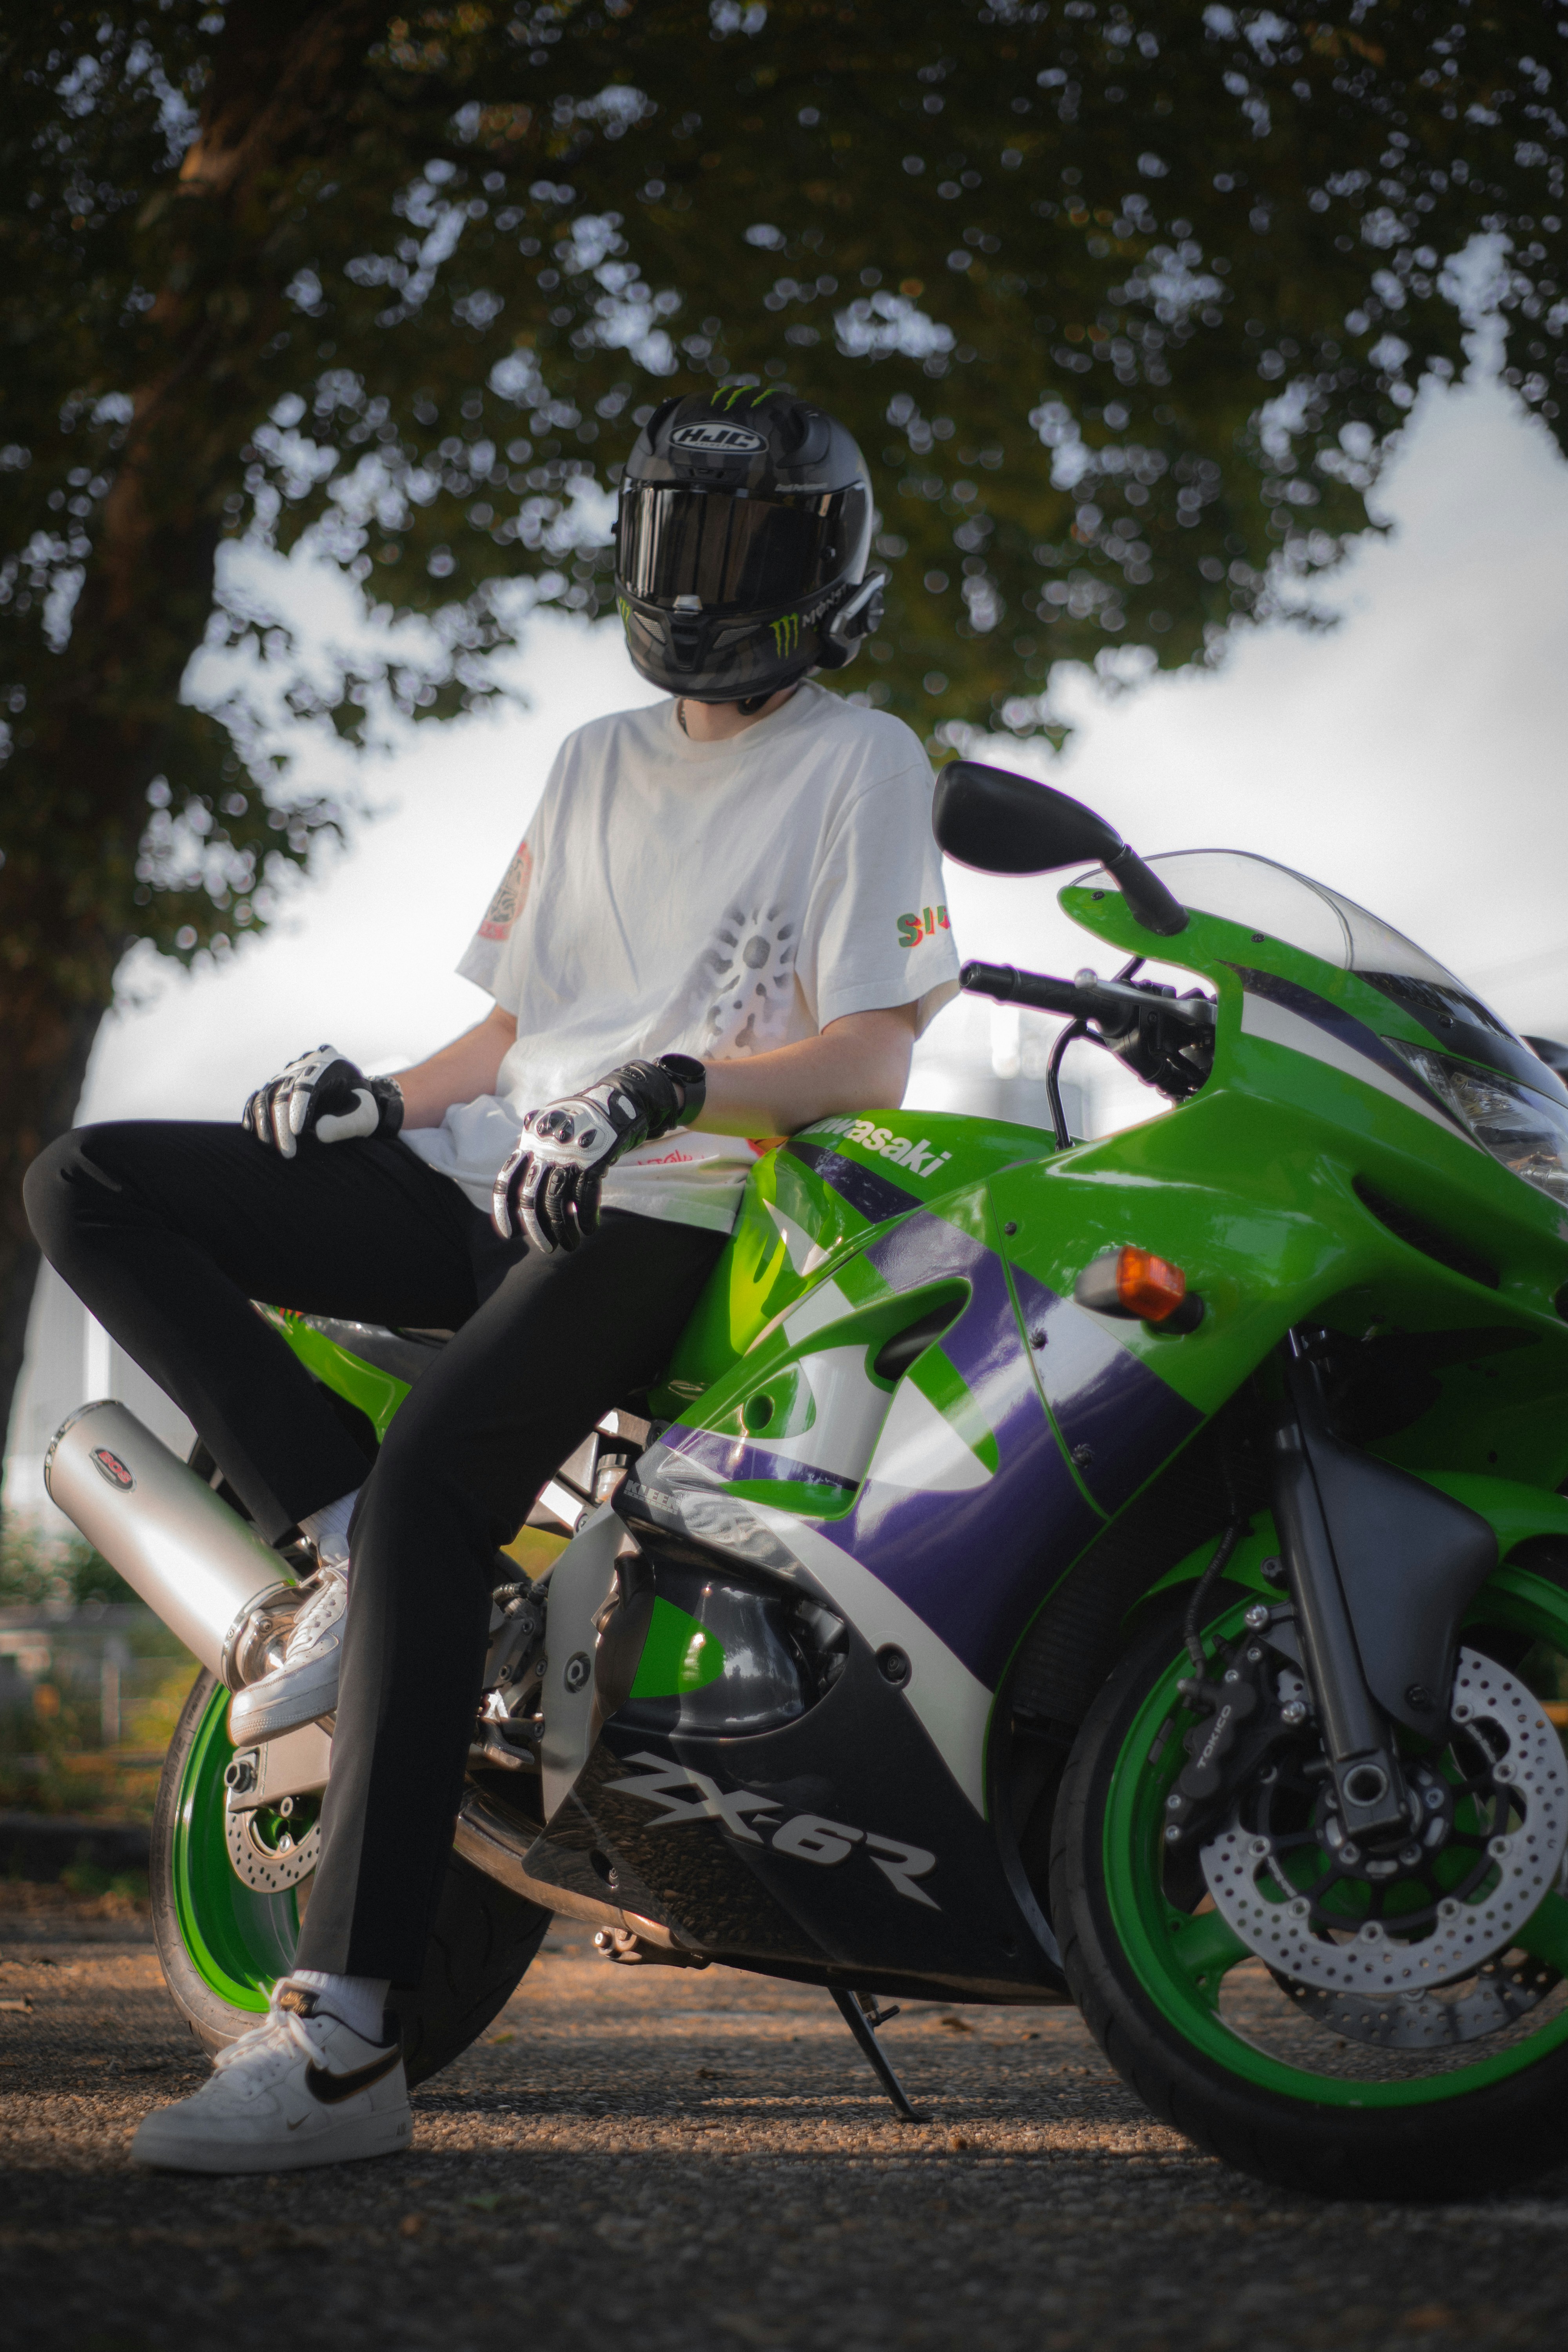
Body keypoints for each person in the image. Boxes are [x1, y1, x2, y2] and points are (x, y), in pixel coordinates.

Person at [24, 387, 961, 2173]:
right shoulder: (594, 757)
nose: (703, 579)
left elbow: (868, 1055)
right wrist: (383, 1099)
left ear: (826, 565)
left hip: (669, 1204)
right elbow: (521, 1031)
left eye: (747, 545)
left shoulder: (866, 760)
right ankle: (334, 1523)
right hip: (491, 1170)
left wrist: (670, 1089)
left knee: (447, 1492)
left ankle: (344, 2044)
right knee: (90, 1181)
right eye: (680, 537)